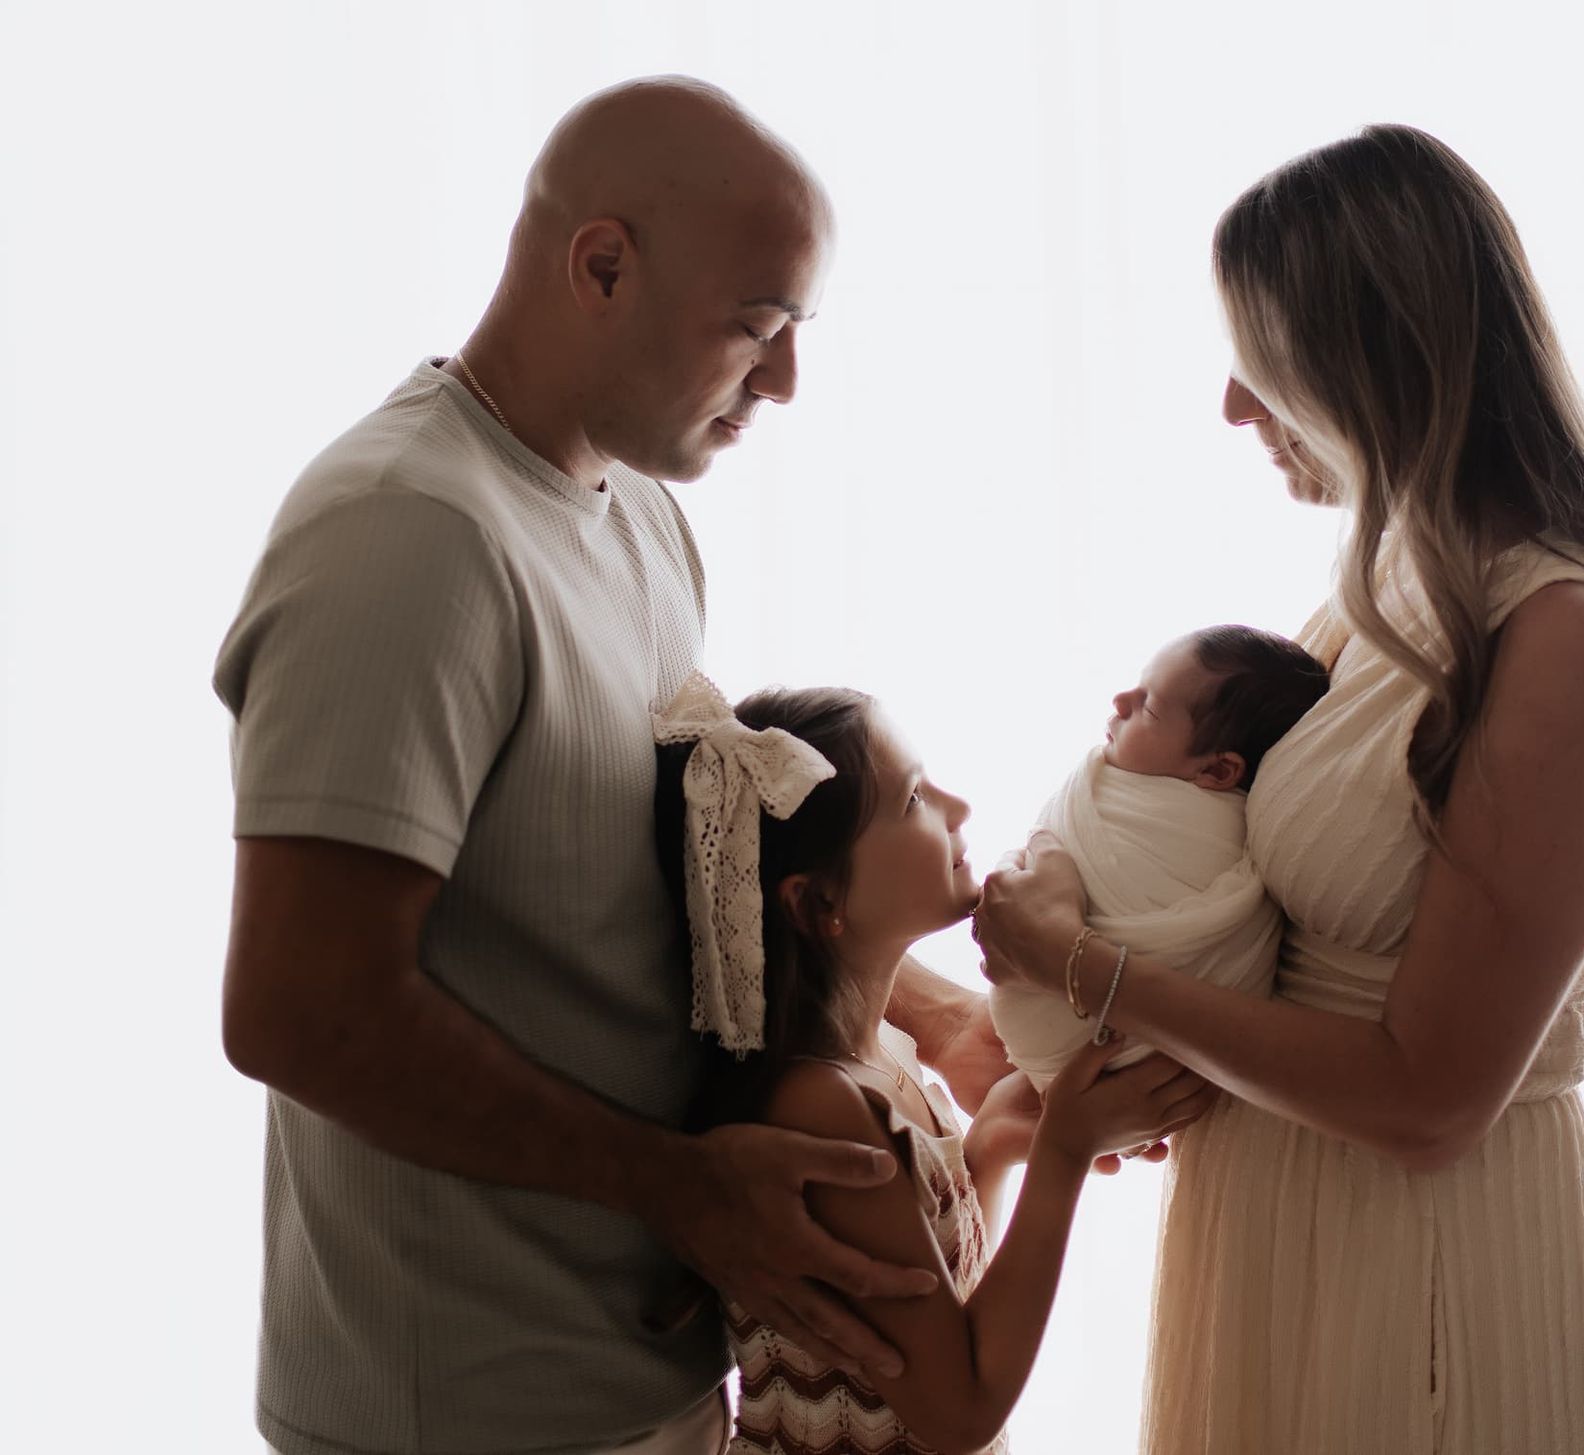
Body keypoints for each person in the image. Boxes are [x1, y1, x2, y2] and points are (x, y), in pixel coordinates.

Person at [213, 78, 1014, 1455]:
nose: (786, 381)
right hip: (460, 1407)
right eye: (759, 326)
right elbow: (299, 1009)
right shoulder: (407, 541)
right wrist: (680, 1187)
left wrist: (920, 1007)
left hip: (652, 1371)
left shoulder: (642, 512)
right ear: (601, 264)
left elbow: (650, 857)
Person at [973, 124, 1584, 1454]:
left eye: (1259, 364)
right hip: (1279, 1218)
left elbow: (1428, 1096)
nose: (1231, 407)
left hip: (1429, 1249)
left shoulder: (1571, 633)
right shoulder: (1375, 584)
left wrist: (1086, 966)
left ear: (1371, 359)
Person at [652, 675, 1212, 1454]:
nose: (959, 807)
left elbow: (929, 1303)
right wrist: (1064, 1153)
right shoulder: (820, 1104)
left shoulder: (885, 1057)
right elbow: (958, 1414)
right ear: (817, 904)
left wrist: (993, 1147)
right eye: (914, 798)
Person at [988, 626, 1328, 1088]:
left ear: (1217, 769)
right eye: (1137, 684)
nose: (1120, 700)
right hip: (1124, 1060)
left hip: (1106, 1040)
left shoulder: (1210, 834)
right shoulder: (1135, 794)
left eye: (1147, 706)